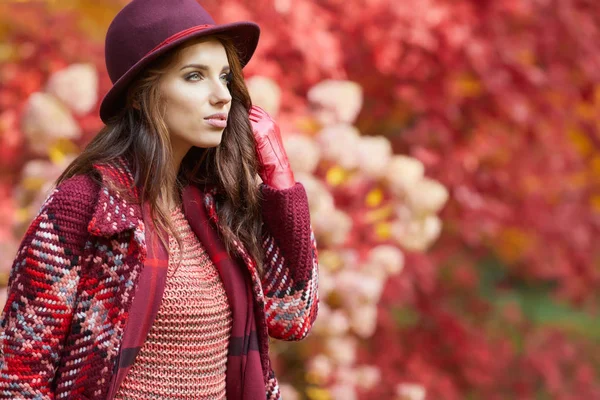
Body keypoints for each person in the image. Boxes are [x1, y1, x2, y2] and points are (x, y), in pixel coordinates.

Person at [0, 0, 319, 399]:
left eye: (224, 76)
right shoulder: (82, 207)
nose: (222, 95)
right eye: (193, 77)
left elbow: (294, 316)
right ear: (139, 96)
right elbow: (18, 377)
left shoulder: (219, 206)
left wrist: (281, 182)